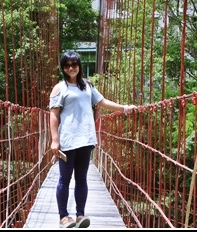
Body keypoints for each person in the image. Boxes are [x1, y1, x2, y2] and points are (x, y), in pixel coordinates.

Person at [49, 50, 135, 228]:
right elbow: (54, 115)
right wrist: (54, 140)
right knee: (64, 179)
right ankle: (63, 217)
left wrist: (125, 108)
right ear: (63, 68)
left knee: (82, 179)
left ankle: (80, 215)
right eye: (67, 65)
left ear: (79, 65)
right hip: (67, 140)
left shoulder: (87, 86)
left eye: (74, 64)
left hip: (86, 139)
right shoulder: (60, 88)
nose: (71, 68)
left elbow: (103, 102)